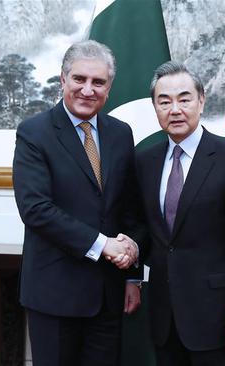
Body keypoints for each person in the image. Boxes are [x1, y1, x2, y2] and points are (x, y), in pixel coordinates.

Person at [12, 40, 143, 366]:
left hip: (108, 297)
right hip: (54, 296)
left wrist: (132, 274)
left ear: (109, 88)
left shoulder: (120, 134)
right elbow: (35, 209)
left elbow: (130, 209)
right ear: (63, 80)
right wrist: (102, 245)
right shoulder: (34, 133)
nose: (88, 90)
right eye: (79, 79)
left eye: (98, 82)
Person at [136, 61, 225, 366]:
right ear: (155, 108)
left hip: (218, 317)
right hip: (164, 318)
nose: (175, 109)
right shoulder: (144, 161)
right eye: (164, 102)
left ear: (201, 101)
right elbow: (145, 229)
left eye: (184, 99)